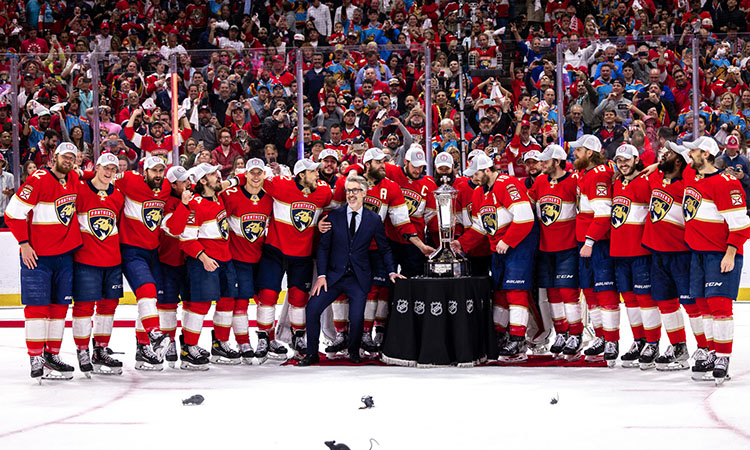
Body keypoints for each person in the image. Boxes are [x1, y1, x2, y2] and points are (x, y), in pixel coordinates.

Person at [299, 173, 402, 366]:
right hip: (333, 277)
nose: (351, 194)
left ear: (364, 193)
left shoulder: (373, 219)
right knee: (312, 308)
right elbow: (323, 248)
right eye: (348, 190)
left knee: (356, 316)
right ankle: (311, 353)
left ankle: (354, 351)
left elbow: (384, 248)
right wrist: (321, 276)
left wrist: (391, 271)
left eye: (355, 190)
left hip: (358, 277)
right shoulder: (334, 216)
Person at [325, 148, 418, 355]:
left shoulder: (391, 187)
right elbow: (332, 211)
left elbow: (401, 221)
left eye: (384, 162)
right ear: (367, 165)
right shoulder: (345, 183)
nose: (383, 166)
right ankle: (342, 334)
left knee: (374, 290)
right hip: (346, 248)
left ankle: (367, 333)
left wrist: (419, 244)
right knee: (341, 289)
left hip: (375, 247)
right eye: (378, 162)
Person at [5, 142, 82, 381]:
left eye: (72, 158)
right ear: (53, 158)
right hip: (37, 256)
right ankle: (36, 357)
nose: (68, 161)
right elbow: (12, 213)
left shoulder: (73, 180)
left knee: (59, 308)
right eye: (64, 157)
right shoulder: (38, 179)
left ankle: (52, 355)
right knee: (37, 308)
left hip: (64, 255)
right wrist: (24, 243)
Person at [452, 153, 537, 362]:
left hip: (518, 245)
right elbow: (481, 227)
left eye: (476, 174)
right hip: (499, 246)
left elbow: (525, 217)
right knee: (500, 291)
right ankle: (498, 335)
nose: (473, 178)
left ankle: (518, 339)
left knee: (515, 290)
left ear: (487, 170)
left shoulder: (507, 183)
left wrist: (508, 241)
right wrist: (461, 243)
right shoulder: (479, 192)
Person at [681, 136, 750, 384]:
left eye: (695, 152)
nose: (690, 156)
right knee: (702, 305)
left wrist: (731, 253)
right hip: (697, 253)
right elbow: (683, 159)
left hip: (720, 253)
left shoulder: (726, 184)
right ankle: (711, 350)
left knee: (720, 306)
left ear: (707, 155)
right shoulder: (692, 176)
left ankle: (722, 356)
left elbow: (741, 225)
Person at [253, 158, 333, 358]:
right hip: (275, 251)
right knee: (268, 296)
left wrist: (324, 222)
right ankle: (264, 338)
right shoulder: (280, 184)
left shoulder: (323, 190)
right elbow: (254, 179)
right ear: (301, 175)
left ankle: (298, 336)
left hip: (303, 254)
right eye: (313, 172)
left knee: (299, 298)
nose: (318, 174)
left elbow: (332, 210)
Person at [642, 142, 703, 371]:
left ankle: (704, 347)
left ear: (679, 161)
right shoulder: (657, 178)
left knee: (690, 303)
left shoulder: (687, 182)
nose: (662, 156)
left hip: (681, 253)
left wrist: (671, 159)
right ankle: (678, 347)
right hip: (657, 253)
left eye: (667, 154)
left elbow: (691, 165)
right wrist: (659, 162)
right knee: (665, 303)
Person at [179, 163, 240, 369]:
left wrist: (241, 178)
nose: (218, 175)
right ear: (203, 181)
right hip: (204, 261)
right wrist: (204, 258)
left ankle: (220, 343)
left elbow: (230, 181)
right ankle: (189, 348)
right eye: (213, 174)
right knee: (200, 305)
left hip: (225, 258)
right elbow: (186, 239)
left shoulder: (217, 194)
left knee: (227, 301)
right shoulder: (195, 204)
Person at [71, 153, 125, 376]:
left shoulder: (118, 196)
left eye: (113, 169)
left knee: (108, 306)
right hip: (86, 259)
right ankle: (82, 350)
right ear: (97, 168)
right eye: (105, 168)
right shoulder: (80, 189)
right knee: (84, 307)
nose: (109, 172)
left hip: (112, 260)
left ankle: (100, 350)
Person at [221, 158, 279, 364]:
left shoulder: (271, 197)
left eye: (259, 173)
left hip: (262, 257)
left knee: (267, 298)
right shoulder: (231, 195)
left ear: (264, 174)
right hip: (238, 258)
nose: (255, 177)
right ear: (245, 174)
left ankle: (268, 339)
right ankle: (243, 342)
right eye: (251, 173)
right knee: (241, 301)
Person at [527, 144, 583, 360]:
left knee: (568, 292)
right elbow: (528, 200)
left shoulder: (573, 181)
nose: (541, 164)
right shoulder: (540, 181)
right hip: (545, 247)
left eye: (545, 161)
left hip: (568, 247)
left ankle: (576, 334)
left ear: (557, 162)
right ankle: (561, 333)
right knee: (552, 294)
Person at [609, 144, 662, 369]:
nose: (623, 164)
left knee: (645, 299)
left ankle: (653, 342)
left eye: (627, 159)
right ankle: (639, 340)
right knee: (629, 299)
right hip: (619, 251)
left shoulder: (647, 181)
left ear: (636, 159)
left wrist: (657, 164)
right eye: (619, 160)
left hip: (641, 251)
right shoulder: (616, 183)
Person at [568, 135, 619, 365]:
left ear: (589, 152)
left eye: (578, 150)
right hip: (586, 241)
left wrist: (590, 241)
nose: (574, 154)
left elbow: (603, 213)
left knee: (605, 291)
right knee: (589, 290)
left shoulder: (598, 175)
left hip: (598, 243)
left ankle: (611, 339)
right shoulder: (584, 174)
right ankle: (600, 335)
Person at [158, 166, 194, 367]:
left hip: (189, 260)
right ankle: (169, 341)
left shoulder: (188, 194)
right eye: (183, 181)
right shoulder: (166, 203)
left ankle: (188, 344)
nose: (188, 184)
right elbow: (175, 228)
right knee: (168, 305)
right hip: (168, 260)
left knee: (190, 303)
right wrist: (185, 204)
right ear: (172, 184)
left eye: (188, 180)